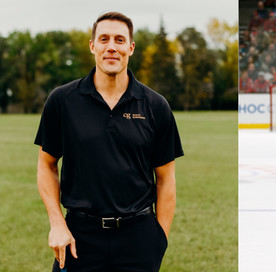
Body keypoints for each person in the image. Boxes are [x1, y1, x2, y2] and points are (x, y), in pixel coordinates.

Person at [35, 12, 183, 271]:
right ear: (93, 46)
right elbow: (46, 165)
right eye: (103, 39)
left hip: (138, 238)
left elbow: (165, 178)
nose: (111, 47)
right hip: (79, 237)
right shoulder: (62, 101)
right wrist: (57, 222)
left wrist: (159, 239)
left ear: (131, 47)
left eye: (119, 40)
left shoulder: (156, 106)